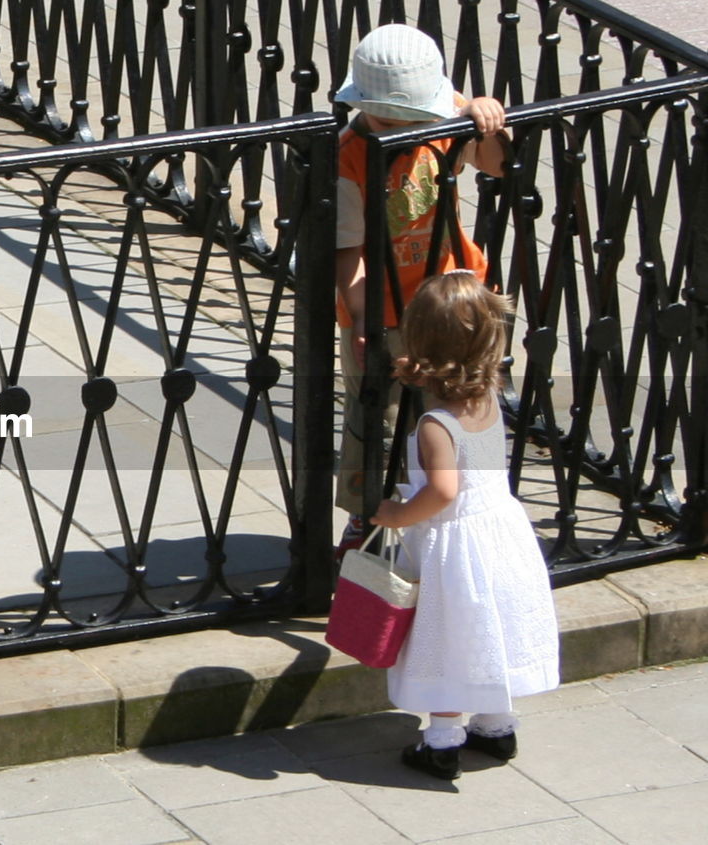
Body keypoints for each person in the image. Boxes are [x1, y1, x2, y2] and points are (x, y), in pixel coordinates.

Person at [370, 269, 559, 781]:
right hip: (500, 534)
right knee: (488, 632)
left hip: (455, 546)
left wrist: (395, 514)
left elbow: (443, 491)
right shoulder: (487, 399)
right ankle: (497, 727)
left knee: (451, 638)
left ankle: (442, 741)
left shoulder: (437, 424)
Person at [332, 23, 509, 558]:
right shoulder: (349, 158)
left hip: (448, 298)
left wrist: (485, 119)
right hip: (383, 308)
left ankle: (456, 502)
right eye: (392, 118)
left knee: (454, 403)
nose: (407, 127)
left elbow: (496, 165)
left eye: (414, 117)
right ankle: (372, 515)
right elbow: (347, 252)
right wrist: (361, 317)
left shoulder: (445, 116)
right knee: (378, 415)